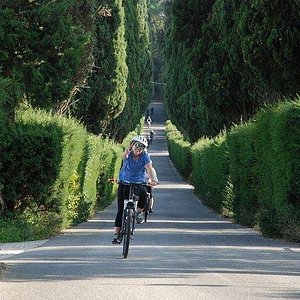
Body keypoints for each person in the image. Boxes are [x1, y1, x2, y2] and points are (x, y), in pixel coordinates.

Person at [112, 136, 158, 244]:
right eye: (137, 146)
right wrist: (125, 154)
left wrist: (153, 179)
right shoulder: (128, 153)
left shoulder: (145, 156)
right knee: (120, 210)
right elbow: (124, 156)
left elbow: (149, 168)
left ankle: (139, 212)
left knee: (143, 192)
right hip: (124, 181)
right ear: (132, 145)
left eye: (141, 147)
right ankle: (116, 234)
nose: (138, 149)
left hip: (138, 181)